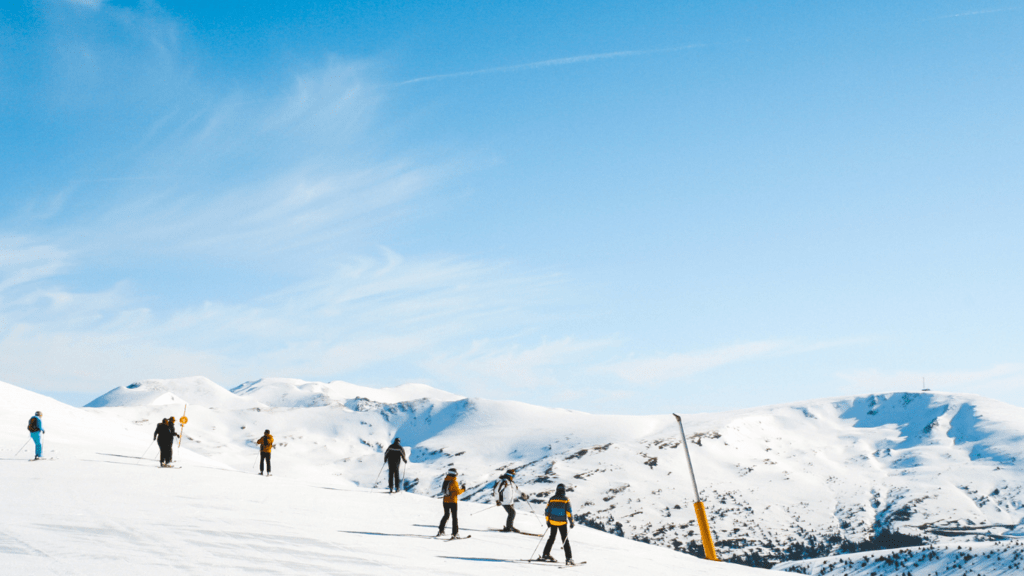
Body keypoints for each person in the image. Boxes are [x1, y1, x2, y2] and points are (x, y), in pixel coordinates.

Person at [539, 483, 575, 565]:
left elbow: (547, 511)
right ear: (564, 490)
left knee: (551, 538)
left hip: (552, 522)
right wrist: (572, 522)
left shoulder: (552, 499)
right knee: (565, 540)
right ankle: (569, 558)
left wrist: (548, 521)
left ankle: (545, 554)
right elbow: (569, 512)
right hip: (562, 522)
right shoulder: (566, 499)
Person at [437, 467, 465, 537]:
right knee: (454, 517)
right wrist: (463, 489)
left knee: (446, 515)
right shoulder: (454, 481)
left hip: (445, 501)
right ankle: (455, 533)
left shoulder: (446, 480)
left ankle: (441, 531)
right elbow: (457, 492)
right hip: (453, 501)